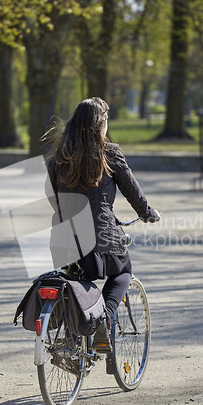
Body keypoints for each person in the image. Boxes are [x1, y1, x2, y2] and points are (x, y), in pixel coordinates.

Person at [45, 97, 160, 351]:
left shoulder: (59, 156)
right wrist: (147, 213)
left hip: (64, 238)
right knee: (123, 271)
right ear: (101, 124)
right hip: (100, 236)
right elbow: (133, 192)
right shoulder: (109, 152)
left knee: (75, 280)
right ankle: (104, 321)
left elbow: (54, 197)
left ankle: (70, 341)